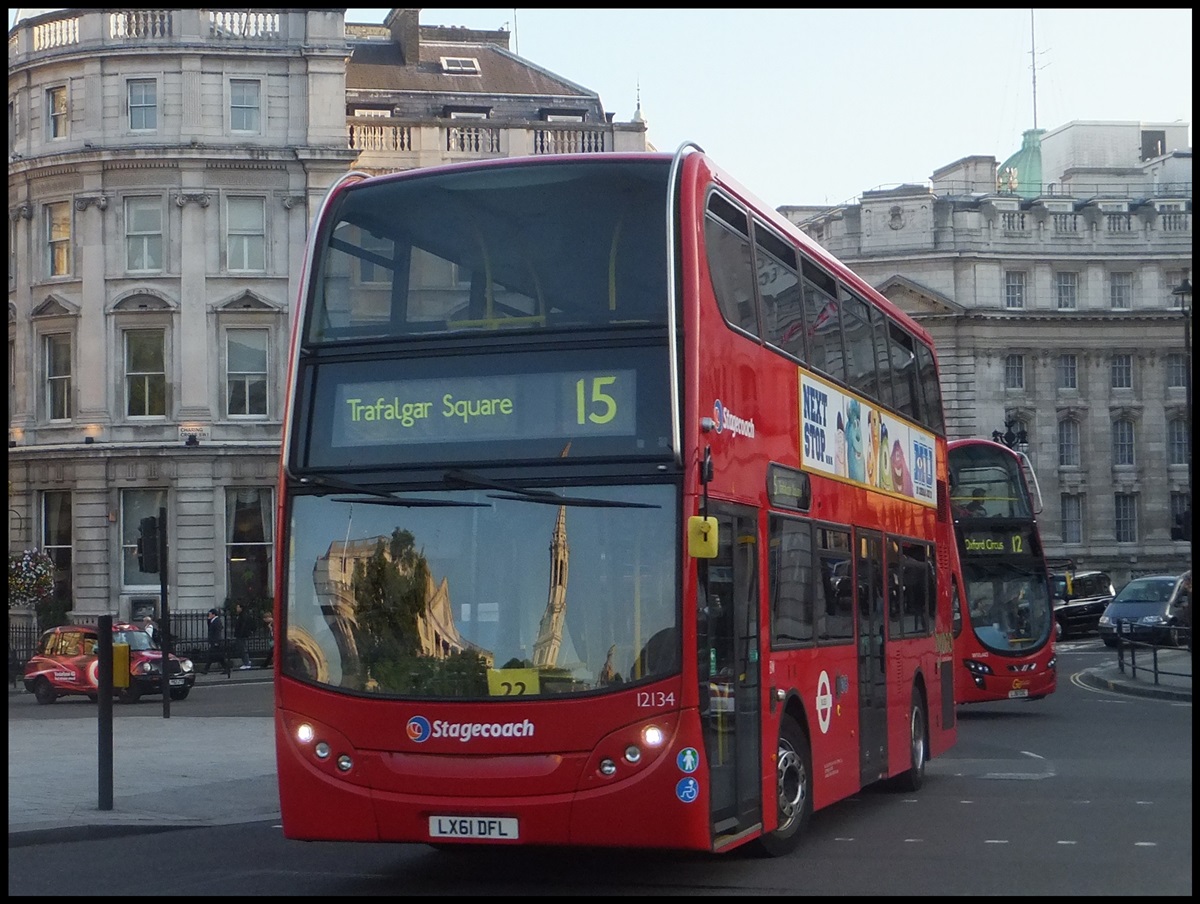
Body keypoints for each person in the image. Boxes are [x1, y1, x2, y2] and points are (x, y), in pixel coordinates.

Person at [202, 607, 230, 676]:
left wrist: (216, 641)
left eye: (210, 614)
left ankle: (206, 669)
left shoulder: (217, 621)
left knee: (211, 656)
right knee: (220, 657)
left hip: (216, 641)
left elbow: (217, 632)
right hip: (214, 641)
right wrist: (208, 620)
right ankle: (226, 668)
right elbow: (210, 627)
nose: (209, 615)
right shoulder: (213, 620)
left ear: (213, 614)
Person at [233, 602, 256, 669]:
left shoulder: (243, 616)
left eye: (238, 607)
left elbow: (243, 626)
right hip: (241, 635)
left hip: (242, 635)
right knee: (243, 649)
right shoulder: (242, 615)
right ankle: (247, 661)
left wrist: (242, 633)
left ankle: (246, 663)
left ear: (241, 608)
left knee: (243, 649)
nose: (236, 609)